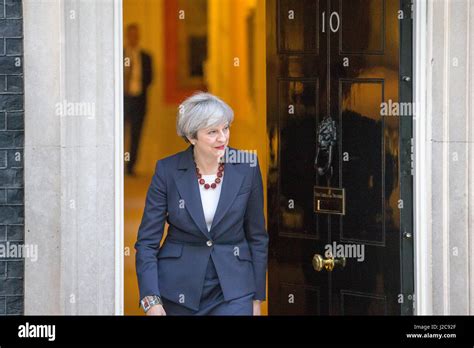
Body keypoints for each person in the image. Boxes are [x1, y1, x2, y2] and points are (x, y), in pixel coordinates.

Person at [135, 92, 269, 315]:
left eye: (225, 128)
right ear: (192, 137)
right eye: (212, 132)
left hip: (234, 291)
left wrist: (257, 298)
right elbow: (147, 242)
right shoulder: (166, 171)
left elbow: (257, 237)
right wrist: (151, 299)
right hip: (178, 289)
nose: (223, 138)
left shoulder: (248, 167)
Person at [124, 23, 153, 176]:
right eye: (131, 34)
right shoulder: (119, 54)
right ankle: (117, 165)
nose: (133, 38)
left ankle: (130, 167)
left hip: (139, 101)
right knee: (120, 134)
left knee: (136, 135)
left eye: (136, 34)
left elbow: (149, 79)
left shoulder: (146, 57)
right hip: (122, 100)